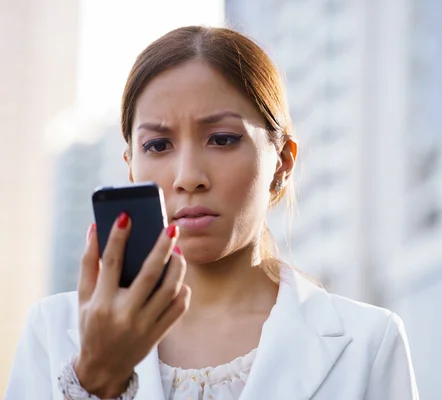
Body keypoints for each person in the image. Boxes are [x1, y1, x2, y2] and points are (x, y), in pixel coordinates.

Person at [5, 25, 419, 400]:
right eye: (158, 146)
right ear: (130, 167)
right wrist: (94, 382)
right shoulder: (52, 333)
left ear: (283, 162)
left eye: (221, 139)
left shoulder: (370, 343)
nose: (188, 177)